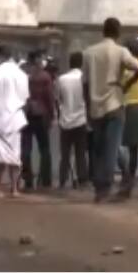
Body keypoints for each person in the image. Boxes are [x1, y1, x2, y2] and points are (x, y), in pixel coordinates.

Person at [82, 18, 138, 203]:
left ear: (103, 31)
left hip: (95, 106)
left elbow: (84, 84)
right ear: (118, 33)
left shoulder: (88, 53)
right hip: (115, 104)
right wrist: (125, 85)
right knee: (111, 148)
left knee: (102, 148)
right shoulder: (120, 51)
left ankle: (104, 187)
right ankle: (117, 182)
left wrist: (87, 108)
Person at [0, 44, 30, 198]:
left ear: (1, 56)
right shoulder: (22, 74)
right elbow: (25, 99)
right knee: (15, 154)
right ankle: (14, 189)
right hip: (16, 117)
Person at [116, 44, 138, 200]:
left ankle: (127, 177)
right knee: (134, 148)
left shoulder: (128, 69)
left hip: (127, 106)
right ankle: (131, 176)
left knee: (120, 145)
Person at [20, 50, 54, 192]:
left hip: (26, 114)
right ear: (37, 59)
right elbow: (49, 97)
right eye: (42, 57)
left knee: (26, 148)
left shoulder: (24, 75)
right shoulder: (44, 76)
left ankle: (28, 180)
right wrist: (52, 115)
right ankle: (45, 180)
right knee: (44, 148)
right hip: (41, 114)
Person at [56, 51, 89, 190]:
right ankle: (82, 180)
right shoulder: (84, 78)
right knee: (80, 153)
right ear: (81, 64)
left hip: (65, 121)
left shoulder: (61, 79)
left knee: (65, 154)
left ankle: (63, 180)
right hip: (81, 120)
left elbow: (59, 99)